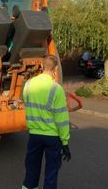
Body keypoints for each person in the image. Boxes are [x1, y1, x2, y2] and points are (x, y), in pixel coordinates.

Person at [22, 55, 71, 189]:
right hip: (52, 137)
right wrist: (65, 142)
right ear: (55, 69)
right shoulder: (57, 89)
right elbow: (62, 119)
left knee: (31, 169)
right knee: (51, 172)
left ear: (42, 66)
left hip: (34, 135)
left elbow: (27, 106)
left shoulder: (28, 85)